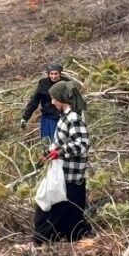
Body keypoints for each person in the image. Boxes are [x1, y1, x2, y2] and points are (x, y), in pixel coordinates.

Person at [33, 79, 92, 245]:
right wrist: (49, 154)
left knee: (51, 210)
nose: (52, 102)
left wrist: (58, 152)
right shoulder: (66, 117)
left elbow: (82, 144)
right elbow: (62, 143)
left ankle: (40, 242)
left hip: (69, 175)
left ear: (62, 99)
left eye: (54, 98)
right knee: (72, 213)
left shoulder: (73, 118)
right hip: (66, 173)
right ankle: (79, 236)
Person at [21, 61, 66, 144]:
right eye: (51, 74)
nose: (54, 76)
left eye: (56, 74)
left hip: (62, 118)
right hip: (47, 117)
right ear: (48, 74)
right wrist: (25, 117)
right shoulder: (43, 83)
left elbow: (73, 100)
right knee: (46, 142)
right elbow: (35, 101)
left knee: (59, 142)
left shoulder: (66, 83)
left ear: (60, 73)